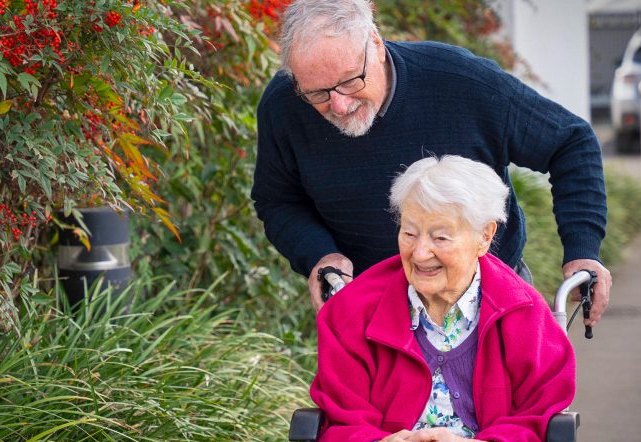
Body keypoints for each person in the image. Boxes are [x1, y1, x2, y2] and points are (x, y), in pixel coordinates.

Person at [251, 0, 611, 325]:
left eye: (349, 82)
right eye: (317, 93)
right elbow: (278, 200)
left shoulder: (460, 82)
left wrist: (582, 251)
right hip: (372, 310)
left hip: (491, 301)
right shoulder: (284, 106)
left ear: (376, 45)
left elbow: (571, 142)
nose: (339, 105)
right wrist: (320, 254)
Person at [298, 155, 576, 442]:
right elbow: (338, 422)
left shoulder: (524, 315)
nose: (420, 252)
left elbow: (542, 422)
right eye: (409, 233)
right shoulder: (351, 311)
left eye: (440, 237)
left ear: (485, 236)